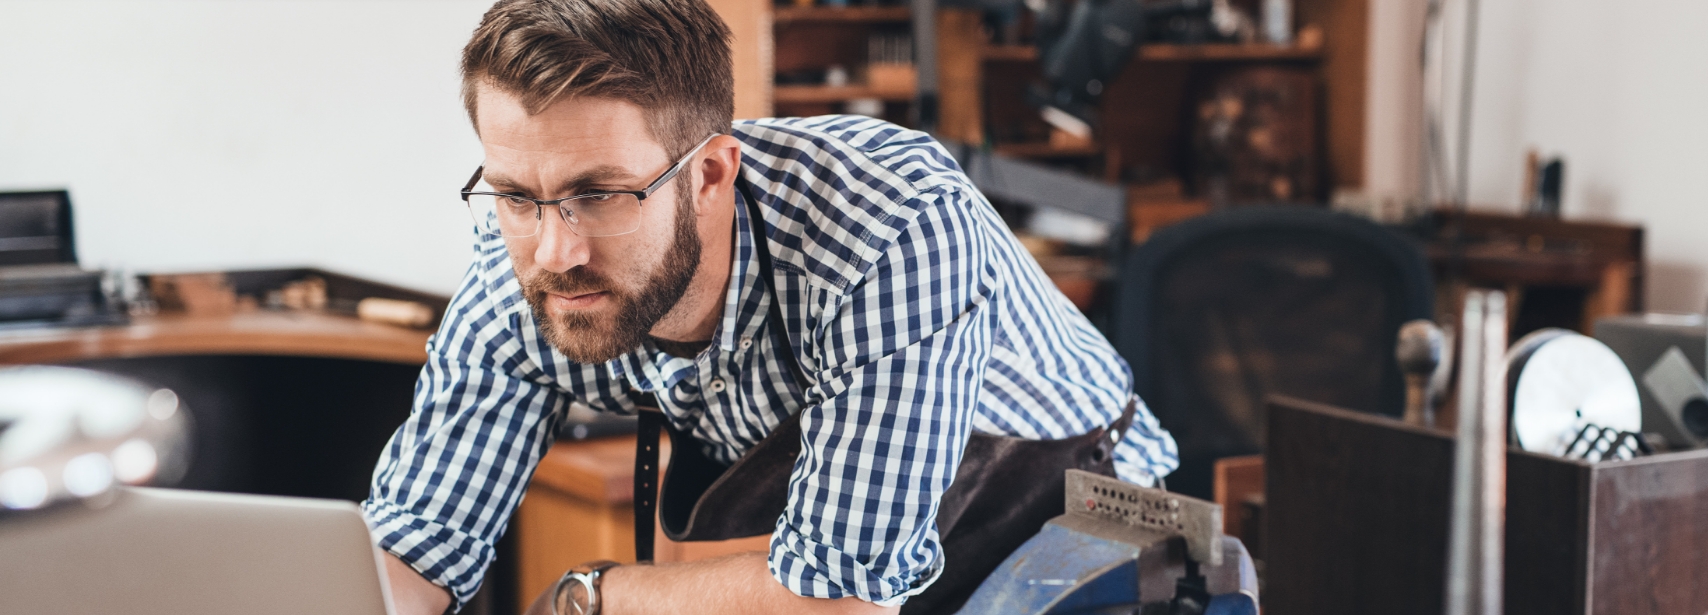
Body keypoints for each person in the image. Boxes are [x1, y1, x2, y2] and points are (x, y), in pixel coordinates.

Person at [361, 0, 1177, 613]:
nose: (554, 252)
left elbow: (842, 603)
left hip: (1083, 510)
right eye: (515, 196)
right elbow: (410, 550)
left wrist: (596, 591)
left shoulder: (888, 222)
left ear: (711, 176)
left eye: (601, 194)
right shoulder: (526, 265)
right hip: (855, 551)